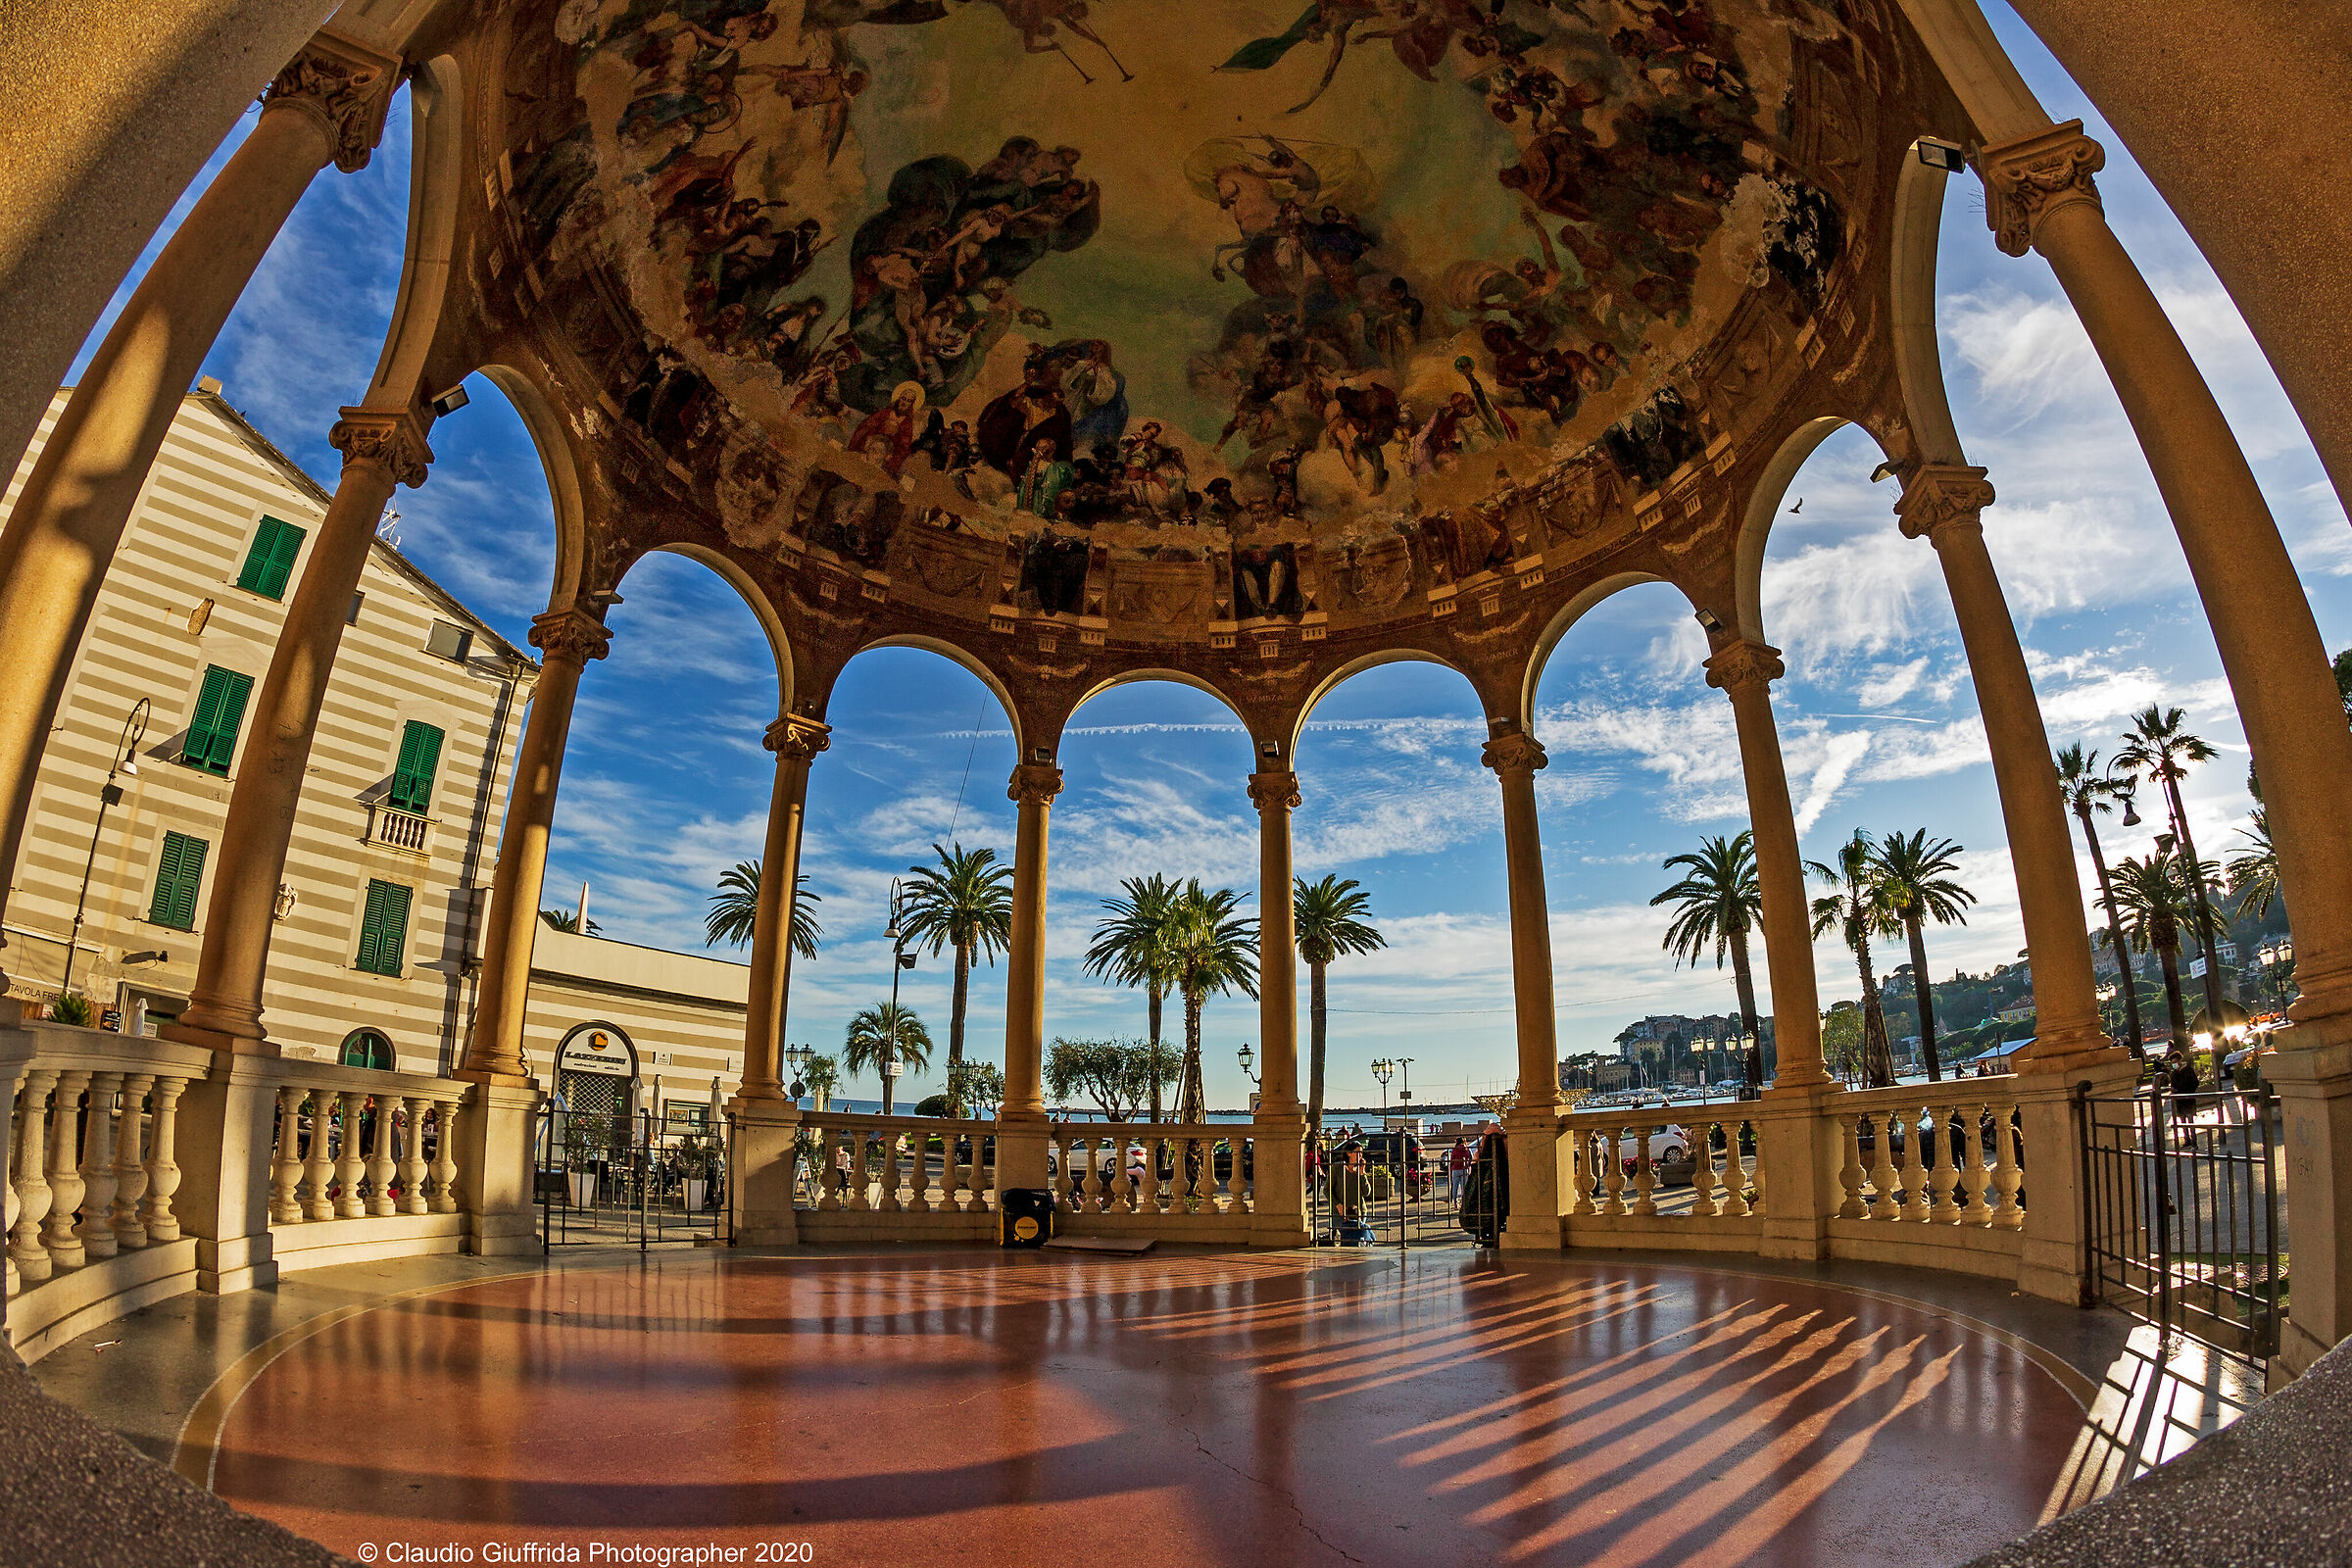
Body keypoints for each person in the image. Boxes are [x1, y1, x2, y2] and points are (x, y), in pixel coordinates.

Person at [1447, 1135, 1473, 1204]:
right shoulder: (1467, 1149)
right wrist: (1468, 1165)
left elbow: (1452, 1160)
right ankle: (1463, 1202)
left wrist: (1452, 1166)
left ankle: (1455, 1202)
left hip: (1455, 1169)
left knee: (1455, 1187)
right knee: (1464, 1188)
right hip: (1464, 1169)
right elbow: (1471, 1158)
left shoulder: (1455, 1150)